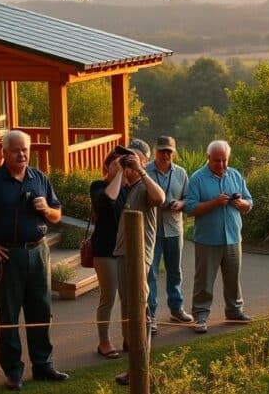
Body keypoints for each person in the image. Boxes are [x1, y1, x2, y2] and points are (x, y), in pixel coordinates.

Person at [0, 130, 69, 391]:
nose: (22, 154)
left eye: (25, 150)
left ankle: (43, 365)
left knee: (41, 311)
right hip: (7, 256)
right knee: (9, 314)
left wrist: (47, 210)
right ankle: (13, 372)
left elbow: (57, 215)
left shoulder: (39, 177)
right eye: (16, 150)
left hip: (38, 252)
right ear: (3, 153)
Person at [184, 139, 253, 334]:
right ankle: (200, 316)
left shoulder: (235, 175)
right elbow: (189, 208)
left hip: (233, 237)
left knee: (233, 279)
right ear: (208, 158)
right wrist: (214, 203)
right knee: (204, 281)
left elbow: (249, 201)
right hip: (208, 239)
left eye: (224, 160)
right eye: (217, 161)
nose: (221, 165)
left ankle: (234, 311)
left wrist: (242, 205)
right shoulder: (197, 178)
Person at [111, 138, 164, 386]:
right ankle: (135, 369)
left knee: (140, 312)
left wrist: (141, 170)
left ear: (143, 160)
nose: (128, 162)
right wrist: (120, 169)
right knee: (129, 313)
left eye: (132, 158)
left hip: (139, 257)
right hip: (123, 256)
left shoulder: (144, 186)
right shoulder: (127, 187)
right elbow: (106, 197)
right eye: (126, 158)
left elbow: (161, 197)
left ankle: (142, 370)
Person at [145, 135, 193, 335]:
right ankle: (151, 314)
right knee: (151, 274)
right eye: (162, 150)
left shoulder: (181, 173)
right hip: (152, 229)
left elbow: (188, 198)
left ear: (174, 152)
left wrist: (180, 204)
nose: (165, 155)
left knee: (175, 271)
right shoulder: (145, 171)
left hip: (174, 228)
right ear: (155, 151)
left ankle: (176, 308)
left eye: (169, 151)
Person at [88, 147, 130, 360]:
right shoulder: (98, 186)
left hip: (125, 250)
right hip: (105, 250)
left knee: (128, 297)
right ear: (106, 166)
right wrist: (119, 173)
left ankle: (128, 338)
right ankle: (103, 341)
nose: (120, 167)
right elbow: (107, 200)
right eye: (115, 163)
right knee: (108, 297)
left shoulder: (128, 189)